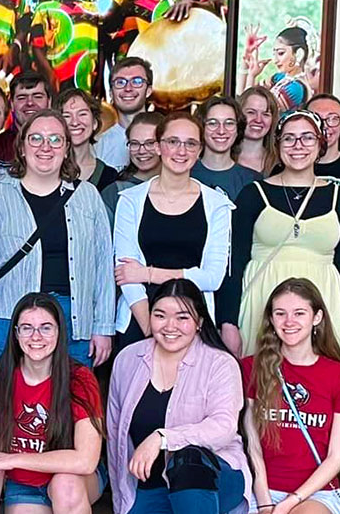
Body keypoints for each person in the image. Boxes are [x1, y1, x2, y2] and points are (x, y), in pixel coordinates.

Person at [104, 280, 251, 514]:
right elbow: (116, 438)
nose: (170, 326)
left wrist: (163, 437)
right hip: (154, 488)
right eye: (160, 315)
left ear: (199, 321)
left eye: (182, 317)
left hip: (216, 478)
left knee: (187, 458)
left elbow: (224, 427)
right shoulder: (128, 359)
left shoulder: (220, 363)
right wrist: (121, 507)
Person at [0, 108, 113, 375]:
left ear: (67, 148)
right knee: (4, 405)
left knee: (69, 406)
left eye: (55, 139)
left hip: (73, 321)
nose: (46, 147)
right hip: (5, 319)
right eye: (36, 139)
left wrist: (103, 328)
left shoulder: (88, 196)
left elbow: (102, 270)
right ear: (21, 146)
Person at [236, 278, 340, 514]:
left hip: (315, 492)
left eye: (299, 313)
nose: (288, 322)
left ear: (317, 317)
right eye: (279, 313)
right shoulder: (252, 367)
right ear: (270, 318)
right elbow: (253, 446)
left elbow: (337, 458)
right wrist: (265, 503)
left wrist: (290, 503)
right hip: (261, 491)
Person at [0, 293, 105, 514]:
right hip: (25, 485)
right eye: (27, 327)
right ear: (16, 334)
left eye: (46, 327)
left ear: (60, 333)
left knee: (65, 485)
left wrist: (15, 459)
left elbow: (85, 461)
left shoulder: (80, 379)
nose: (36, 336)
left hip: (77, 482)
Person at [218, 111, 340, 359]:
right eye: (289, 139)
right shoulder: (253, 194)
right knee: (261, 383)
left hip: (323, 301)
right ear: (278, 144)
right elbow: (233, 263)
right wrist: (228, 322)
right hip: (261, 299)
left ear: (320, 144)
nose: (298, 146)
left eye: (307, 138)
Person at [114, 112, 233, 348]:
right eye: (173, 142)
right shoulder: (129, 201)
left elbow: (212, 277)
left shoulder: (217, 205)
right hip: (139, 320)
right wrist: (152, 326)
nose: (181, 151)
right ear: (158, 147)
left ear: (200, 150)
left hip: (194, 325)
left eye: (190, 144)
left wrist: (148, 274)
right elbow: (126, 274)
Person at [192, 96, 261, 198]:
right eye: (212, 123)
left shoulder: (253, 180)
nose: (221, 131)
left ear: (238, 129)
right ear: (201, 128)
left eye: (229, 123)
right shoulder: (186, 174)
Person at [100, 111, 165, 219]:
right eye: (135, 143)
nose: (141, 150)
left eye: (149, 143)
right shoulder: (114, 192)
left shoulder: (180, 186)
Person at [56, 88, 120, 193]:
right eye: (67, 116)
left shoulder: (109, 176)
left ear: (95, 123)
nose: (75, 122)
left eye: (82, 114)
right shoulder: (48, 169)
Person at [96, 56, 153, 171]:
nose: (128, 88)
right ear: (111, 93)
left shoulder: (165, 136)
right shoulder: (98, 146)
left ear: (148, 91)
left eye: (137, 81)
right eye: (120, 82)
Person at [242, 25, 316, 110]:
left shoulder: (295, 88)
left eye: (281, 53)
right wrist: (248, 63)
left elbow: (251, 107)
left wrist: (251, 76)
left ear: (299, 54)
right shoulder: (279, 78)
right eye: (274, 54)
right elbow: (244, 97)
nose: (275, 60)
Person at [0, 73, 52, 170]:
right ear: (11, 104)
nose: (30, 103)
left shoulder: (60, 143)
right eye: (22, 98)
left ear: (49, 102)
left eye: (37, 97)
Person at [235, 87, 281, 174]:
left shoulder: (281, 163)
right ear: (238, 115)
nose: (258, 120)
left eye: (265, 114)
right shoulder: (222, 159)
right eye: (251, 112)